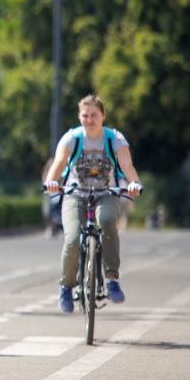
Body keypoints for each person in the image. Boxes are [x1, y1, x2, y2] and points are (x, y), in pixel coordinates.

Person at [43, 94, 143, 314]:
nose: (89, 120)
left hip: (106, 193)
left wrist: (134, 183)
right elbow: (59, 162)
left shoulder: (114, 138)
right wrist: (52, 181)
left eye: (94, 115)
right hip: (75, 194)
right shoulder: (72, 137)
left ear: (103, 116)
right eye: (85, 115)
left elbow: (126, 164)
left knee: (107, 220)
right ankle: (66, 286)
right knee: (71, 239)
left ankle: (112, 279)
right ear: (79, 116)